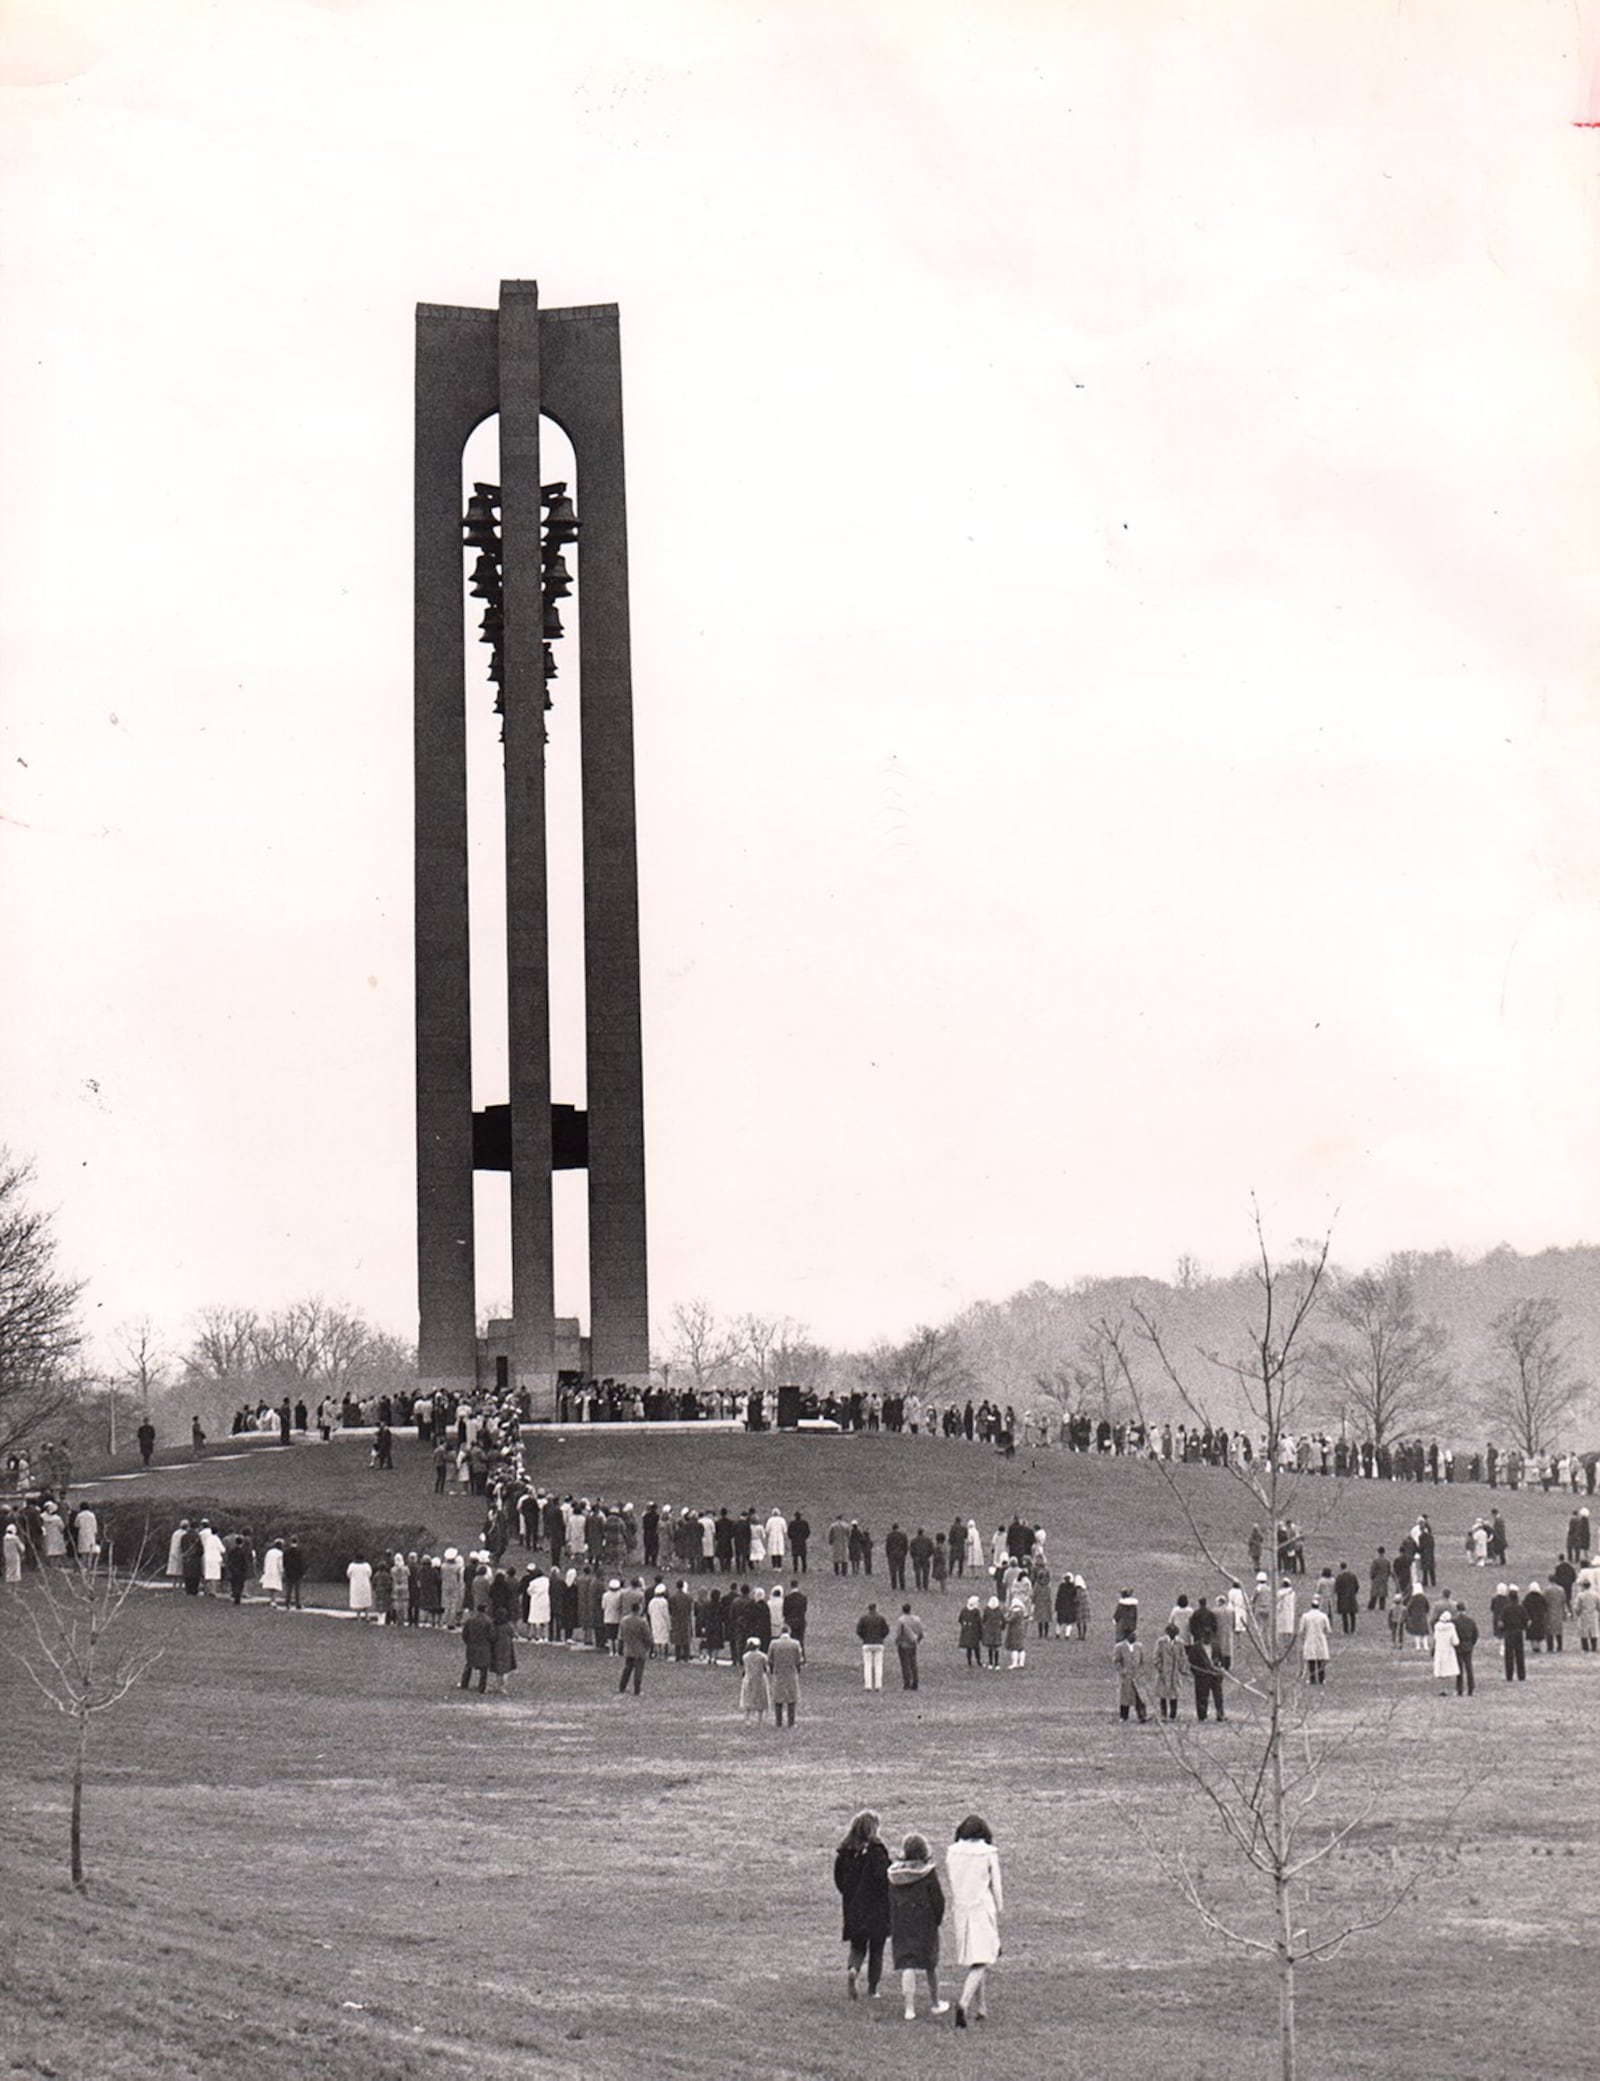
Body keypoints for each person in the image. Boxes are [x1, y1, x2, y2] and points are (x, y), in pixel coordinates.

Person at [946, 1814, 1003, 2029]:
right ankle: (964, 2003)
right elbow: (996, 1885)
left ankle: (982, 2007)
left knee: (976, 1958)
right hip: (981, 1907)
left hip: (961, 1908)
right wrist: (999, 1908)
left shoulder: (953, 1852)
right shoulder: (988, 1853)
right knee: (983, 1959)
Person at [888, 1832, 948, 2021]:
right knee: (931, 1964)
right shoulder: (928, 1874)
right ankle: (935, 2002)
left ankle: (909, 2009)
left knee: (907, 1963)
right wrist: (937, 1920)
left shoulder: (894, 1875)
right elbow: (938, 1900)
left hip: (902, 1923)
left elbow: (889, 1900)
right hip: (925, 1923)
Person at [835, 1810, 891, 2000]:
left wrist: (848, 1895)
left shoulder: (845, 1852)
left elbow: (839, 1878)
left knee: (857, 1947)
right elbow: (885, 1877)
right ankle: (873, 1989)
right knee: (877, 1949)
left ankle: (853, 1969)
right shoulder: (877, 1851)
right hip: (877, 1909)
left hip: (853, 1907)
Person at [616, 1598, 652, 1695]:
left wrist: (620, 1648)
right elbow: (648, 1636)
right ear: (639, 1610)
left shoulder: (624, 1620)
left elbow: (621, 1636)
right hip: (640, 1650)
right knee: (638, 1671)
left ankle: (621, 1687)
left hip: (628, 1648)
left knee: (627, 1669)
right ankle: (637, 1690)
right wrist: (648, 1647)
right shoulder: (642, 1622)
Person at [769, 1625, 802, 1727]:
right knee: (791, 1698)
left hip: (778, 1673)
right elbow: (799, 1660)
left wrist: (772, 1669)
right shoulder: (795, 1644)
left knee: (778, 1698)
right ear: (789, 1632)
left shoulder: (774, 1644)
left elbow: (770, 1659)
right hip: (791, 1673)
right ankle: (791, 1722)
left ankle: (778, 1721)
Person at [1113, 1629, 1148, 1722]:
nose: (1135, 1637)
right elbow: (1116, 1661)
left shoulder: (1139, 1646)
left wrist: (1141, 1672)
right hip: (1126, 1677)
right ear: (1127, 1636)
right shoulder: (1119, 1647)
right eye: (1133, 1635)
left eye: (1135, 1635)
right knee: (1125, 1697)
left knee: (1140, 1697)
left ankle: (1142, 1716)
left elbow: (1142, 1661)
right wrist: (1122, 1671)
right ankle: (1123, 1716)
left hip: (1137, 1676)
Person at [856, 1601, 890, 1691]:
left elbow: (858, 1630)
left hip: (867, 1643)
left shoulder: (864, 1618)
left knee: (867, 1665)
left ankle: (868, 1685)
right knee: (878, 1665)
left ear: (868, 1609)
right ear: (876, 1608)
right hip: (878, 1643)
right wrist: (881, 1637)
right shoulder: (881, 1618)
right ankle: (878, 1685)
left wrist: (864, 1637)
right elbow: (886, 1630)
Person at [1154, 1623, 1184, 1719]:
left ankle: (1173, 1715)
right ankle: (1163, 1714)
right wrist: (1159, 1667)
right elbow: (1156, 1656)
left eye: (1174, 1633)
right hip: (1163, 1672)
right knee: (1163, 1694)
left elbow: (1182, 1656)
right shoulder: (1161, 1642)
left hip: (1174, 1672)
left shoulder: (1180, 1643)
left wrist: (1181, 1668)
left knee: (1174, 1694)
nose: (1172, 1635)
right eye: (1171, 1633)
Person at [459, 1607, 492, 1693]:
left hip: (472, 1645)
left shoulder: (470, 1620)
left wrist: (468, 1642)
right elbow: (491, 1635)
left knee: (469, 1665)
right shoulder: (488, 1621)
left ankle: (464, 1683)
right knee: (484, 1668)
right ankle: (482, 1687)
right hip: (484, 1647)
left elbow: (464, 1634)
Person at [739, 1636, 771, 1724]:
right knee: (760, 1697)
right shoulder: (763, 1656)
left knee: (748, 1697)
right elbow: (766, 1668)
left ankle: (747, 1718)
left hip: (748, 1678)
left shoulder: (745, 1656)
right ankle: (759, 1719)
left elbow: (745, 1668)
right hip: (760, 1678)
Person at [1298, 1602, 1331, 1685]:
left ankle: (1312, 1679)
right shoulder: (1323, 1616)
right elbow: (1328, 1629)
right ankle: (1321, 1679)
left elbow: (1301, 1630)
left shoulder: (1305, 1616)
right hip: (1320, 1639)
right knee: (1320, 1659)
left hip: (1309, 1638)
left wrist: (1302, 1637)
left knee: (1311, 1660)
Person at [1431, 1603, 1460, 1696]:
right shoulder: (1451, 1627)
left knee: (1440, 1671)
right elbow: (1455, 1641)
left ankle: (1442, 1689)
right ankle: (1450, 1689)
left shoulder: (1437, 1627)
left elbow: (1435, 1638)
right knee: (1449, 1671)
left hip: (1439, 1650)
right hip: (1448, 1650)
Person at [894, 1603, 924, 1690]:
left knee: (905, 1665)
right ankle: (915, 1682)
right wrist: (917, 1640)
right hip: (913, 1644)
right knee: (913, 1664)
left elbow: (899, 1633)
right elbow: (921, 1633)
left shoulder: (901, 1620)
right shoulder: (916, 1619)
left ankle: (907, 1683)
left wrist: (897, 1641)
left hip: (903, 1644)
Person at [1452, 1600, 1479, 1695]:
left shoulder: (1454, 1621)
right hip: (1468, 1645)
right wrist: (1472, 1643)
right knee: (1469, 1668)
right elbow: (1476, 1634)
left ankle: (1459, 1690)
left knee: (1459, 1669)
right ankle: (1471, 1689)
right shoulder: (1471, 1621)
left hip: (1458, 1646)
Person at [347, 1554, 373, 1620]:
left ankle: (358, 1617)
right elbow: (369, 1573)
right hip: (365, 1584)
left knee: (357, 1601)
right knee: (365, 1600)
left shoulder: (352, 1565)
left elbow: (348, 1574)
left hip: (355, 1585)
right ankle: (367, 1616)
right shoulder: (366, 1565)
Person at [282, 1537, 305, 1610]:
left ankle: (287, 1603)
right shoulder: (299, 1551)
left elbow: (284, 1562)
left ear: (290, 1542)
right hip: (297, 1572)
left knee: (289, 1589)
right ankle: (298, 1604)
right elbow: (301, 1562)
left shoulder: (286, 1551)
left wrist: (285, 1570)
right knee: (297, 1589)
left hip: (288, 1572)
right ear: (297, 1542)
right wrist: (302, 1572)